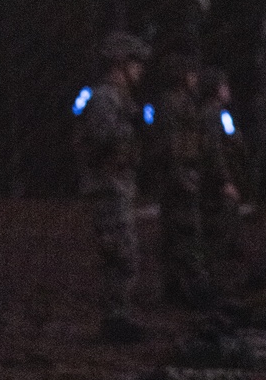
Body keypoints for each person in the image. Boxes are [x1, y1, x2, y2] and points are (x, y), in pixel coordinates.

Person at [76, 30, 151, 344]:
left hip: (118, 184)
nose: (139, 70)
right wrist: (127, 126)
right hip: (108, 185)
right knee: (120, 253)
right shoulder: (105, 97)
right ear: (120, 64)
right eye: (134, 63)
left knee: (124, 252)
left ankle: (119, 316)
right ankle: (115, 319)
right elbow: (100, 139)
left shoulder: (120, 98)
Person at [154, 53, 212, 309]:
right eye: (190, 74)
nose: (194, 79)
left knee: (178, 232)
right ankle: (194, 289)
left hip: (185, 171)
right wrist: (179, 174)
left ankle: (178, 287)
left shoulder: (184, 102)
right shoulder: (171, 103)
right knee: (186, 232)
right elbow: (170, 144)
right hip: (178, 173)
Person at [197, 67, 246, 268]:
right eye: (223, 86)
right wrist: (224, 181)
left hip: (226, 175)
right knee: (217, 229)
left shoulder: (222, 114)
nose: (227, 90)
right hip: (214, 183)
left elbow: (233, 139)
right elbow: (213, 151)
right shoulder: (210, 115)